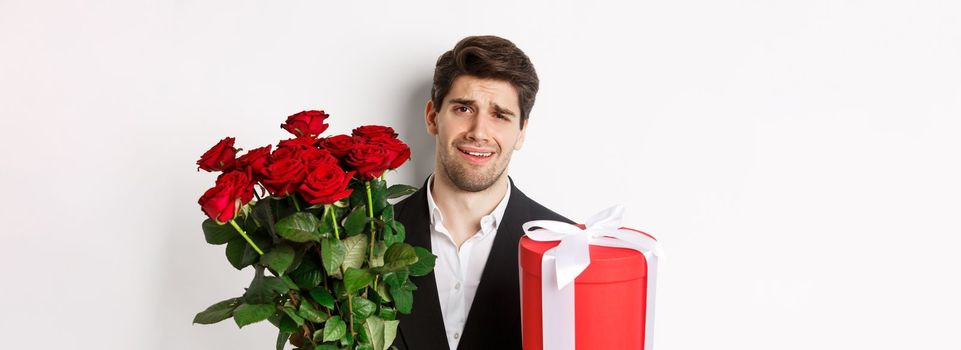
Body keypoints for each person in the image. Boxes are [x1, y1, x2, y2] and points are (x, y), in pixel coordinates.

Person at [391, 35, 572, 350]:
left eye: (500, 115)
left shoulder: (568, 249)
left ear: (521, 132)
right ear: (433, 117)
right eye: (463, 108)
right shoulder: (368, 235)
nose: (478, 131)